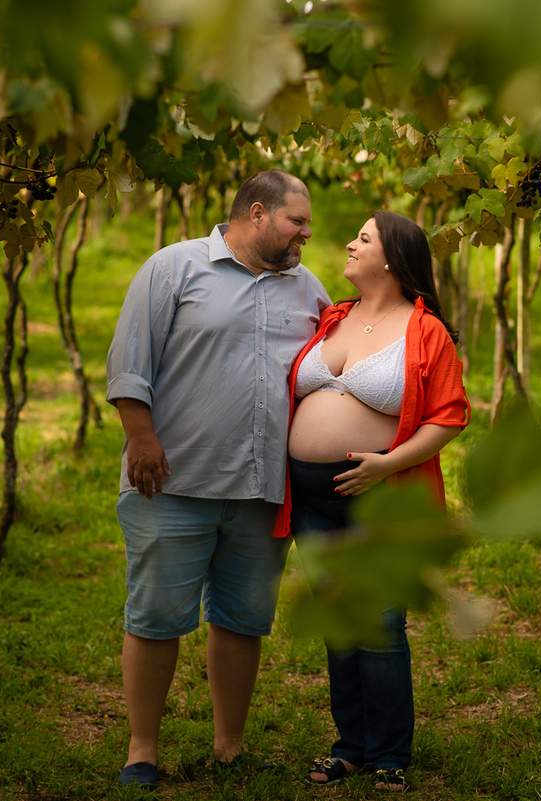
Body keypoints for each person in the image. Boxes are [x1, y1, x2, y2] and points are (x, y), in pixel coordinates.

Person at [105, 170, 331, 787]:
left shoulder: (309, 289)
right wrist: (141, 440)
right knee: (155, 618)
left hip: (263, 490)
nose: (307, 234)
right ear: (256, 214)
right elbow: (130, 363)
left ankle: (229, 746)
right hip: (172, 482)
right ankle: (141, 751)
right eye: (297, 221)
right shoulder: (173, 269)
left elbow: (333, 371)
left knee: (242, 619)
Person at [275, 210, 469, 792]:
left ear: (392, 259)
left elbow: (449, 415)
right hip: (310, 499)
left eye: (363, 238)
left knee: (380, 627)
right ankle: (350, 747)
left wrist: (388, 464)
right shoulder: (333, 316)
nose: (350, 244)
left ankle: (390, 753)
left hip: (378, 499)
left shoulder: (423, 329)